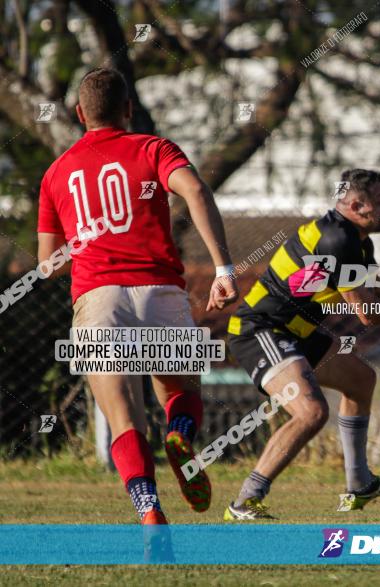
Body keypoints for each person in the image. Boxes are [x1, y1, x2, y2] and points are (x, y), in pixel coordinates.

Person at [37, 68, 239, 525]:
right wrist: (223, 268)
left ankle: (149, 510)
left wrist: (86, 242)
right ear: (128, 110)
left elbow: (48, 264)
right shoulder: (154, 148)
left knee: (124, 418)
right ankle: (180, 434)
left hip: (99, 299)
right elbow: (195, 191)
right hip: (160, 292)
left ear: (78, 114)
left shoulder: (56, 173)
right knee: (181, 391)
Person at [223, 168, 380, 520]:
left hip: (296, 331)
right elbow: (366, 312)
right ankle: (244, 502)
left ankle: (359, 484)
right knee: (311, 413)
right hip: (261, 331)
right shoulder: (337, 240)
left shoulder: (356, 239)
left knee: (361, 380)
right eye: (379, 202)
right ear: (356, 204)